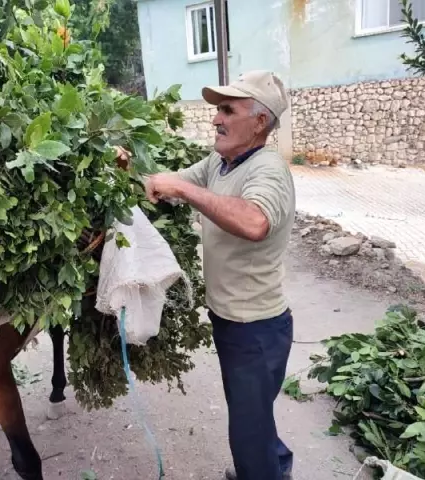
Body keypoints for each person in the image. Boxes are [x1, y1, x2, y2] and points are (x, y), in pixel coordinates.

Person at [117, 70, 296, 480]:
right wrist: (129, 172)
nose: (216, 118)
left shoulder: (268, 171)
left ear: (260, 122)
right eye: (217, 109)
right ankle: (276, 465)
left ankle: (262, 471)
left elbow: (254, 222)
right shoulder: (222, 161)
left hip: (256, 327)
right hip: (234, 320)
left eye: (228, 110)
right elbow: (168, 184)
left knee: (247, 432)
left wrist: (185, 192)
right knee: (253, 411)